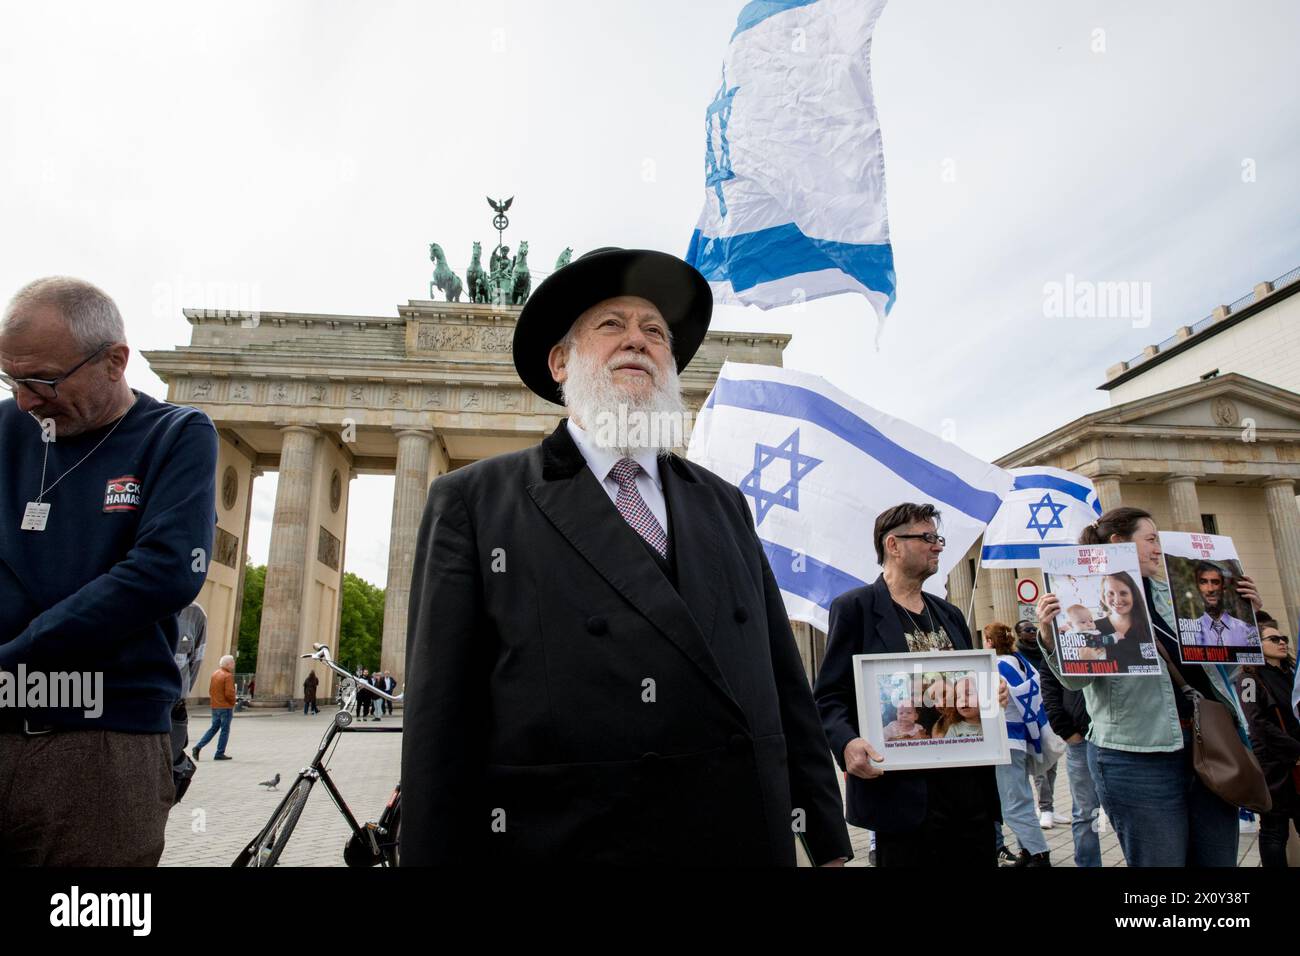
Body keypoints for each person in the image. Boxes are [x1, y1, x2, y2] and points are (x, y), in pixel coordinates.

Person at [400, 247, 852, 866]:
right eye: (611, 325)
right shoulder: (473, 504)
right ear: (560, 362)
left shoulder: (724, 503)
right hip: (572, 842)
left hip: (740, 838)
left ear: (671, 365)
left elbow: (782, 678)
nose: (638, 342)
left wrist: (826, 840)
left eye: (656, 332)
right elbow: (439, 725)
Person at [0, 277, 216, 866]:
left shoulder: (175, 435)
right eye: (11, 378)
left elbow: (164, 572)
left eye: (43, 380)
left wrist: (13, 656)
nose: (25, 399)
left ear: (116, 360)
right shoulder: (3, 431)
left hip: (101, 743)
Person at [1035, 506, 1258, 866]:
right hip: (1135, 758)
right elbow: (1076, 680)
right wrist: (1049, 635)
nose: (1158, 549)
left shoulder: (1180, 594)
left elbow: (1226, 672)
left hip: (1207, 747)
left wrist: (1244, 623)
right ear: (1118, 543)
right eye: (1151, 539)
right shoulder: (1091, 609)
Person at [815, 502, 1009, 867]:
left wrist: (990, 696)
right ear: (893, 545)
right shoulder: (855, 608)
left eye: (938, 538)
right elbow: (829, 696)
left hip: (969, 798)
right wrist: (847, 742)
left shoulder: (948, 613)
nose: (938, 546)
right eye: (927, 537)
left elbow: (966, 683)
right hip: (903, 800)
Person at [1031, 620, 1103, 867]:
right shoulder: (1058, 646)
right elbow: (1049, 691)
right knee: (1085, 813)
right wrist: (1066, 731)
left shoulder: (1109, 636)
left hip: (1117, 737)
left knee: (1123, 812)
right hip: (1081, 739)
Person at [1234, 612, 1300, 867]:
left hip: (1295, 761)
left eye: (1283, 638)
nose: (1282, 642)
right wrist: (1294, 748)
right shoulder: (1249, 679)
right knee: (1275, 830)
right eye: (1274, 639)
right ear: (1256, 646)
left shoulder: (1291, 675)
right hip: (1274, 766)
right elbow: (1258, 723)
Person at [986, 622, 1052, 867]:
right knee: (1021, 797)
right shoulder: (1020, 662)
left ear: (991, 642)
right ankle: (1026, 851)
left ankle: (1039, 853)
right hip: (1021, 737)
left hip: (1006, 739)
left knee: (1014, 803)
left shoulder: (999, 666)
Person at [1090, 572, 1154, 670]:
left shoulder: (1147, 627)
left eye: (1123, 593)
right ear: (1103, 596)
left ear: (1134, 595)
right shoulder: (1094, 628)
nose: (1117, 600)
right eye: (1111, 593)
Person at [1192, 562, 1257, 648]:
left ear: (1224, 587)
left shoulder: (1247, 630)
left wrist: (1255, 612)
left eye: (1215, 582)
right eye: (1203, 582)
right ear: (1197, 587)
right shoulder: (1190, 632)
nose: (1210, 589)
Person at [193, 655, 236, 760]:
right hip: (225, 707)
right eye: (233, 662)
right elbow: (229, 693)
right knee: (225, 730)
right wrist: (233, 702)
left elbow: (211, 691)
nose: (234, 664)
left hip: (215, 706)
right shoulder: (228, 676)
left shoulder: (215, 674)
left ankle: (198, 746)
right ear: (227, 664)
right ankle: (219, 753)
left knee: (213, 728)